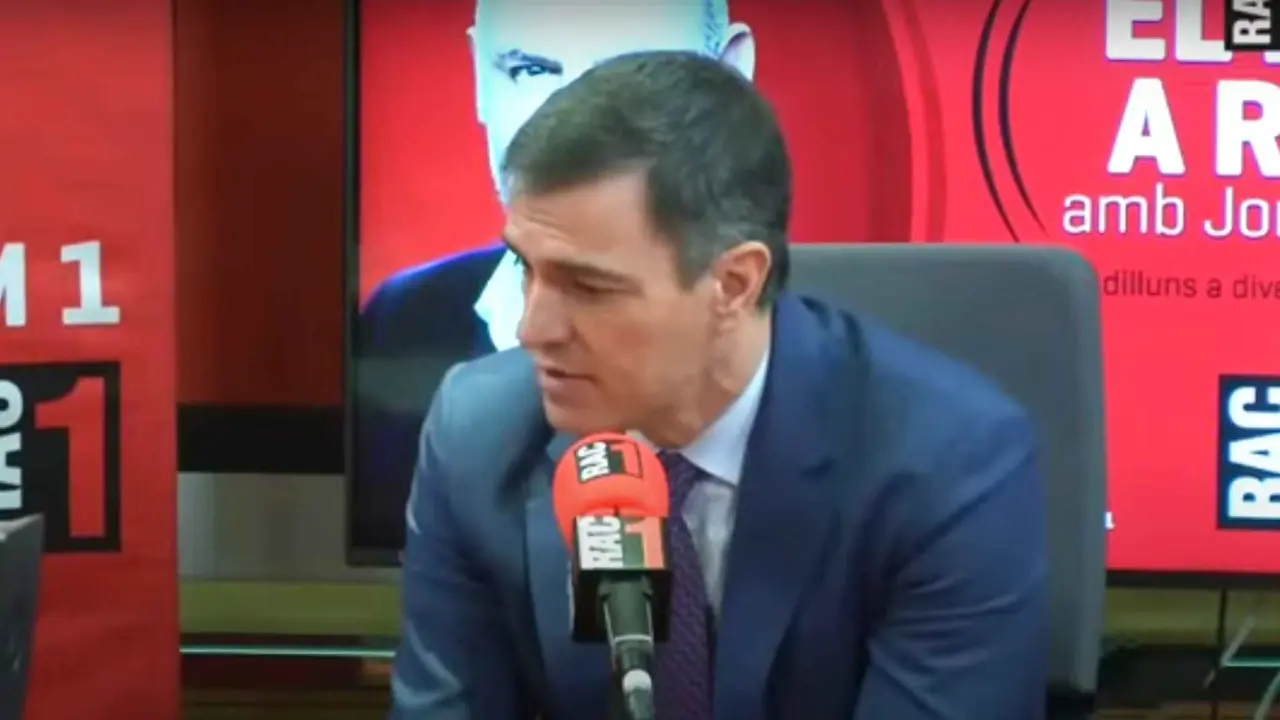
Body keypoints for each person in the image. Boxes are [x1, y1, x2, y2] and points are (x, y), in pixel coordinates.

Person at [390, 51, 1048, 719]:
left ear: (733, 284)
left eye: (587, 287)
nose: (532, 329)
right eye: (524, 268)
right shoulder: (479, 436)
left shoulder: (947, 465)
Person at [355, 0, 757, 551]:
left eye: (632, 74)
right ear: (479, 78)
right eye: (530, 71)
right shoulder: (400, 321)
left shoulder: (837, 377)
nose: (573, 136)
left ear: (731, 75)